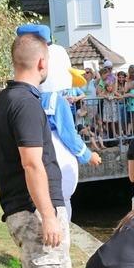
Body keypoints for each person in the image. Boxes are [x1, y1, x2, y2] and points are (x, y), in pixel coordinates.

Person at [0, 28, 81, 268]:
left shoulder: (4, 100)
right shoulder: (25, 103)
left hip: (26, 208)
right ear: (42, 62)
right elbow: (31, 163)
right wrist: (49, 215)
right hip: (35, 211)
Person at [37, 43, 102, 220]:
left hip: (37, 153)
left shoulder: (33, 96)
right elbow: (68, 134)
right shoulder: (57, 101)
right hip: (57, 155)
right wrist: (88, 155)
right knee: (61, 205)